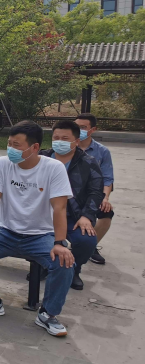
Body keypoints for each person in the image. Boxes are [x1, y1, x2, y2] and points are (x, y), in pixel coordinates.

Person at [0, 120, 75, 337]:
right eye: (9, 143)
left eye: (16, 145)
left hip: (41, 235)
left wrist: (60, 243)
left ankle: (48, 314)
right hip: (6, 231)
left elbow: (60, 207)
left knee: (64, 263)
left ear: (35, 147)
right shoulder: (2, 164)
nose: (11, 149)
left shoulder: (54, 168)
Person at [39, 120, 103, 290]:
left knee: (86, 241)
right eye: (56, 138)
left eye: (65, 138)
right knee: (29, 236)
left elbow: (96, 191)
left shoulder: (88, 162)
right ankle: (44, 265)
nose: (59, 141)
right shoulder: (41, 158)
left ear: (76, 141)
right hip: (44, 214)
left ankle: (73, 269)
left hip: (74, 215)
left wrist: (87, 216)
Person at [74, 113, 114, 265]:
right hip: (69, 193)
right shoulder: (68, 146)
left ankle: (90, 246)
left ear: (93, 129)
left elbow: (108, 178)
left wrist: (105, 198)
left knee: (106, 212)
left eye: (83, 127)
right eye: (76, 126)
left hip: (92, 193)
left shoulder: (102, 152)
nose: (79, 130)